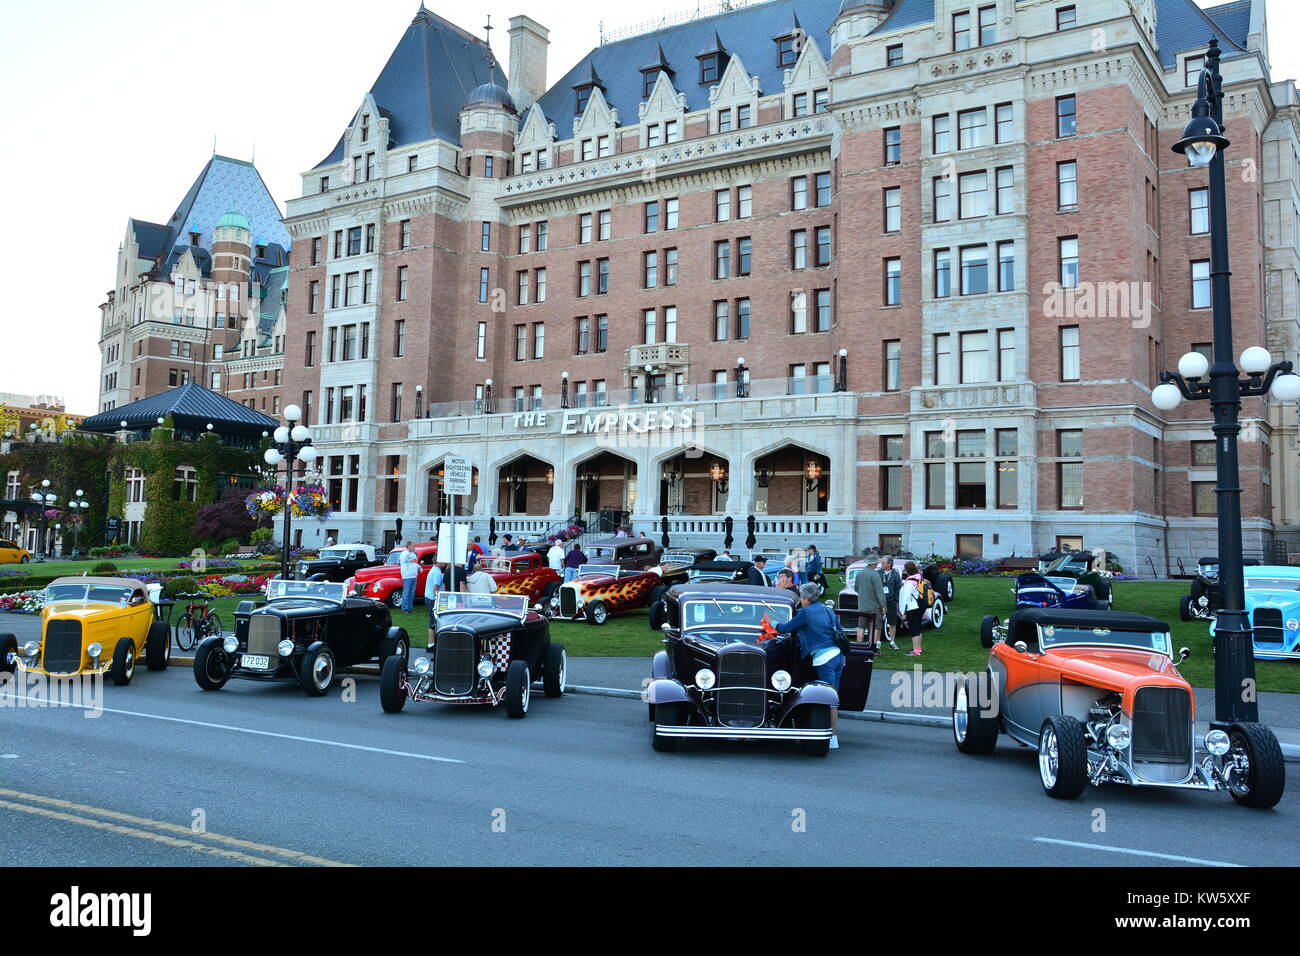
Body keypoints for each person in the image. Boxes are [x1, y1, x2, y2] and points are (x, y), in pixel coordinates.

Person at [772, 583, 845, 749]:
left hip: (824, 658)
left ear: (805, 599)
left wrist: (772, 621)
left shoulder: (805, 613)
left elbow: (785, 628)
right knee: (835, 697)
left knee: (830, 700)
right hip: (838, 656)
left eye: (801, 598)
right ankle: (833, 732)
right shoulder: (828, 609)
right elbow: (839, 632)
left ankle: (832, 737)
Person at [853, 557, 887, 644]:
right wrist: (884, 606)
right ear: (874, 564)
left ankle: (859, 645)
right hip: (874, 606)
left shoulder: (859, 574)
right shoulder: (875, 575)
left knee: (861, 627)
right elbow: (880, 592)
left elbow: (856, 588)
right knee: (875, 627)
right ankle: (872, 646)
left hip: (862, 605)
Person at [898, 560, 926, 656]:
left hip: (912, 607)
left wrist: (902, 611)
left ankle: (915, 651)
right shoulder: (919, 578)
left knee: (914, 629)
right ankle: (918, 648)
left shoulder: (909, 582)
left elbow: (904, 597)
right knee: (918, 627)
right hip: (920, 606)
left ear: (906, 571)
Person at [877, 555, 902, 651]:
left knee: (892, 622)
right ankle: (878, 642)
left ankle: (892, 642)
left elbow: (898, 588)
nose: (881, 564)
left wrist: (895, 600)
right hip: (879, 601)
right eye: (881, 562)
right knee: (878, 622)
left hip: (891, 602)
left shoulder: (895, 574)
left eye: (883, 562)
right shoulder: (878, 573)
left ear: (889, 564)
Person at [423, 561, 445, 646]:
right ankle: (431, 644)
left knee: (433, 621)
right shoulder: (437, 572)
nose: (445, 563)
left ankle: (433, 642)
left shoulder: (434, 570)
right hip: (432, 599)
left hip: (429, 598)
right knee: (433, 622)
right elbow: (435, 587)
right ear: (439, 562)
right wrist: (438, 599)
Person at [398, 541, 419, 613]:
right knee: (406, 593)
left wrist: (419, 567)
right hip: (407, 576)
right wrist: (410, 556)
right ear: (409, 546)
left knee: (412, 593)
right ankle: (405, 608)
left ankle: (410, 608)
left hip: (414, 575)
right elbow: (405, 561)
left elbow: (414, 563)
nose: (414, 547)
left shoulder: (413, 554)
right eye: (413, 546)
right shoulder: (404, 553)